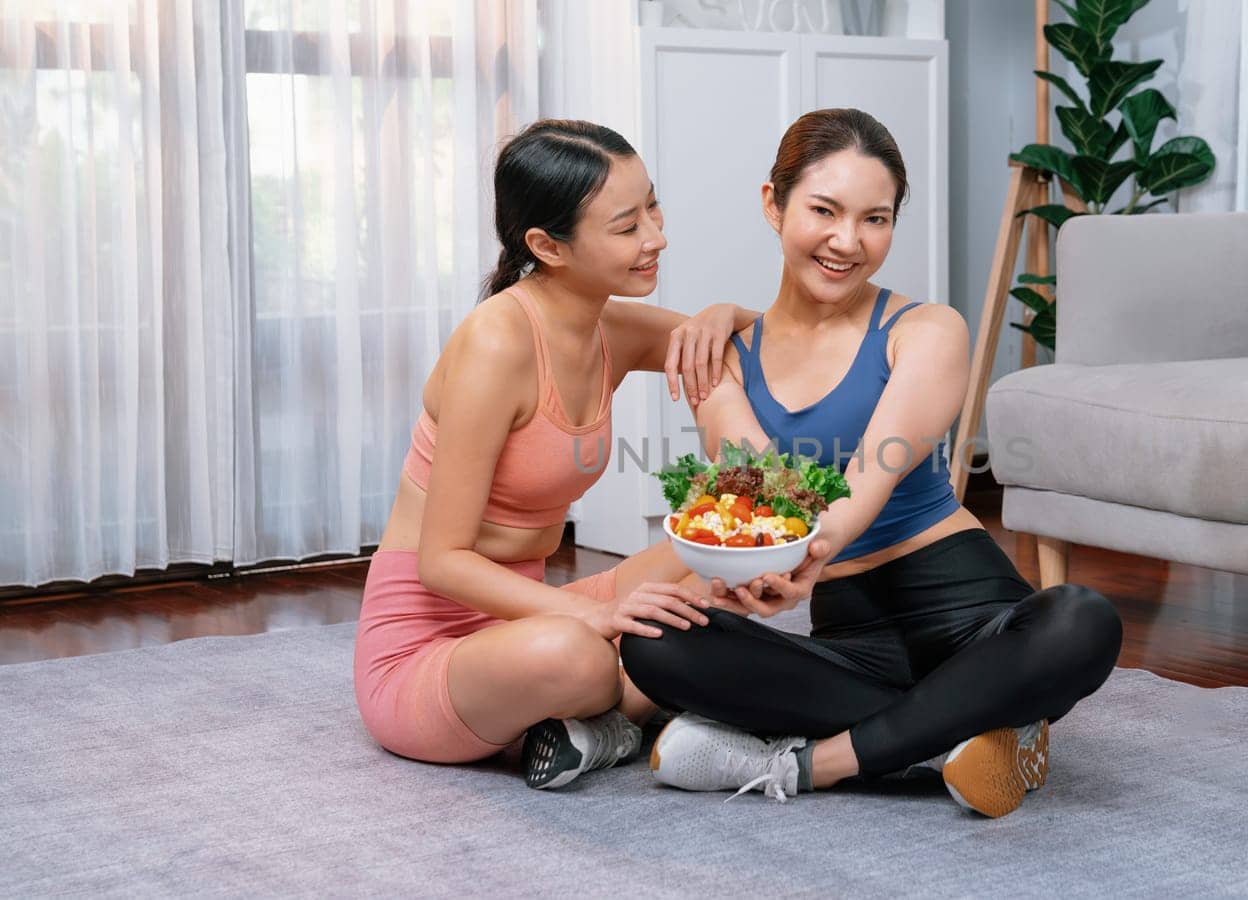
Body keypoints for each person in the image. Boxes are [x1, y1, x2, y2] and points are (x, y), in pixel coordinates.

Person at [620, 108, 1124, 818]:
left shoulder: (923, 331)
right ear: (773, 204)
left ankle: (813, 764)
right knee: (657, 644)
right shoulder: (723, 359)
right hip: (850, 635)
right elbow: (773, 500)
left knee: (1081, 621)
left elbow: (862, 485)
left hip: (965, 607)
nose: (847, 242)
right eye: (823, 211)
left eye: (875, 219)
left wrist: (802, 561)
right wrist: (760, 569)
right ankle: (977, 723)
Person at [354, 119, 755, 789]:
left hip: (526, 613)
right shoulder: (496, 344)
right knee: (576, 655)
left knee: (720, 563)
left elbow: (747, 343)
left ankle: (598, 726)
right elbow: (441, 561)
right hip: (428, 655)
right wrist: (593, 617)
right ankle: (627, 707)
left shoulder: (613, 327)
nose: (656, 236)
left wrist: (719, 314)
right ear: (547, 244)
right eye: (627, 227)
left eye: (652, 205)